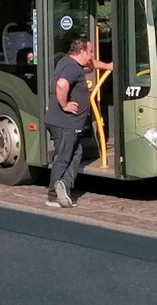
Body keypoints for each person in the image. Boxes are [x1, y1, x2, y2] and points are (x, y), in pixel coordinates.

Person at [44, 37, 113, 208]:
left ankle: (63, 185)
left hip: (63, 122)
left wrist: (108, 66)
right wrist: (65, 104)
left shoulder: (68, 62)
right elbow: (61, 85)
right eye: (90, 51)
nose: (92, 55)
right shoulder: (73, 68)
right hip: (66, 122)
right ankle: (54, 194)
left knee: (76, 153)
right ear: (81, 52)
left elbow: (92, 64)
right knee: (65, 156)